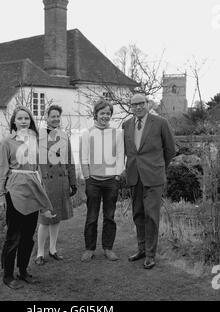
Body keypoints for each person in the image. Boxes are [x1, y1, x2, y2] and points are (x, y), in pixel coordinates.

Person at [0, 106, 55, 290]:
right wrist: (0, 195)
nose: (23, 121)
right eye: (20, 118)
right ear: (14, 121)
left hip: (33, 191)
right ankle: (8, 274)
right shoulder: (7, 142)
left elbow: (38, 168)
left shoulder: (35, 140)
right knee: (14, 236)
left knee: (28, 236)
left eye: (26, 118)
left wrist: (42, 191)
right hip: (15, 190)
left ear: (31, 121)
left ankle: (23, 271)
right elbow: (1, 170)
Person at [122, 93, 176, 269]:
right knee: (138, 213)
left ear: (148, 104)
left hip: (154, 177)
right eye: (134, 104)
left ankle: (151, 255)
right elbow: (129, 151)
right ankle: (142, 249)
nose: (138, 107)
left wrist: (159, 167)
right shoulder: (127, 125)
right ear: (131, 107)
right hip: (134, 176)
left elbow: (170, 150)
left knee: (151, 216)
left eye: (141, 103)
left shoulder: (160, 123)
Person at [80, 99, 125, 262]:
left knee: (109, 216)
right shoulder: (87, 133)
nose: (105, 116)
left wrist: (118, 175)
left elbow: (121, 155)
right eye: (102, 113)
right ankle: (89, 248)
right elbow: (83, 157)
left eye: (108, 113)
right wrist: (87, 176)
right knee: (92, 216)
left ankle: (108, 248)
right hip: (93, 180)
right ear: (96, 114)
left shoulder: (117, 133)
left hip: (111, 181)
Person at [35, 105, 77, 265]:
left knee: (57, 216)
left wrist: (73, 183)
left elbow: (70, 161)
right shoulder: (38, 136)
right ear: (46, 117)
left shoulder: (64, 136)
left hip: (61, 181)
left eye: (58, 116)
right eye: (53, 116)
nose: (56, 119)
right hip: (46, 181)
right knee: (45, 219)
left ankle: (52, 249)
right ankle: (40, 253)